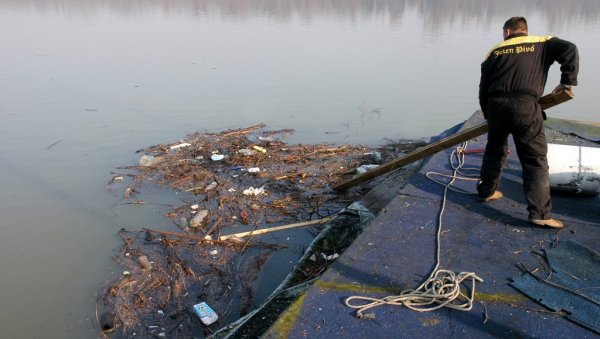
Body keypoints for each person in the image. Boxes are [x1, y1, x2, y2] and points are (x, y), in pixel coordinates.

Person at [477, 17, 579, 228]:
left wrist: (489, 114)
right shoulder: (543, 42)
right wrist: (567, 81)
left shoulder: (495, 51)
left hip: (496, 105)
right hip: (525, 106)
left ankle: (487, 191)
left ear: (506, 32)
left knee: (494, 149)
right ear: (524, 30)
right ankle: (539, 214)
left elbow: (483, 88)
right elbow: (570, 49)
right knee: (534, 160)